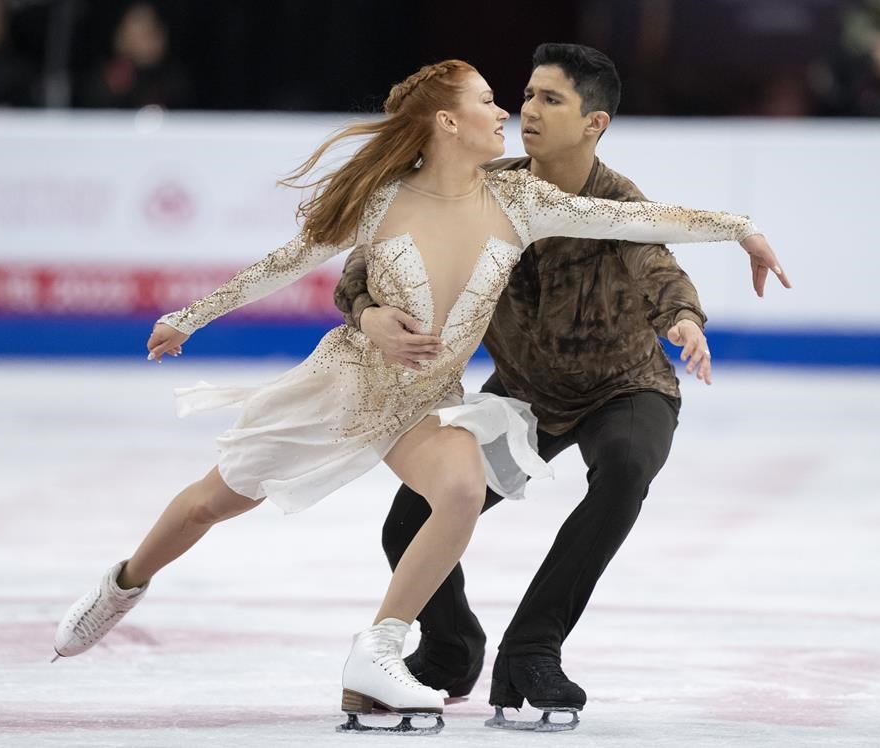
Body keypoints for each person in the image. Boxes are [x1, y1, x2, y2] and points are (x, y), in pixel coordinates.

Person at [52, 57, 785, 733]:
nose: (506, 113)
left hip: (422, 403)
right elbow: (287, 264)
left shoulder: (520, 199)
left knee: (462, 488)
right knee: (215, 501)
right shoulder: (379, 202)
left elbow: (640, 224)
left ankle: (378, 653)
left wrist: (742, 230)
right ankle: (123, 582)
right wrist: (190, 317)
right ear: (446, 122)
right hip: (344, 388)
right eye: (490, 102)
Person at [332, 43, 792, 728]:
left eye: (551, 99)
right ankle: (452, 648)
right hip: (524, 393)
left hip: (624, 385)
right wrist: (370, 314)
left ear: (595, 122)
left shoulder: (615, 200)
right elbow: (360, 273)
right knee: (408, 522)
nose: (528, 111)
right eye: (526, 95)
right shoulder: (483, 190)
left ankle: (533, 648)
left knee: (628, 465)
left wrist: (685, 320)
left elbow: (657, 262)